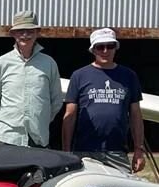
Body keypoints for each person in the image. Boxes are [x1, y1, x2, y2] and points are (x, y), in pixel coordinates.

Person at [62, 27, 146, 173]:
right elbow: (70, 116)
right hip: (84, 151)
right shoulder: (79, 76)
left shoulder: (129, 76)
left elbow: (135, 115)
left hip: (117, 152)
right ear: (93, 50)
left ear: (116, 48)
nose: (105, 51)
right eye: (100, 47)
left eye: (110, 46)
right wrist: (66, 152)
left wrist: (139, 149)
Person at [0, 10, 63, 147]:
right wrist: (5, 121)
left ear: (37, 33)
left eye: (30, 31)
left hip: (37, 138)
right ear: (13, 34)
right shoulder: (1, 63)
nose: (25, 35)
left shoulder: (49, 63)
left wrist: (41, 120)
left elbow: (56, 100)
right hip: (7, 138)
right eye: (20, 31)